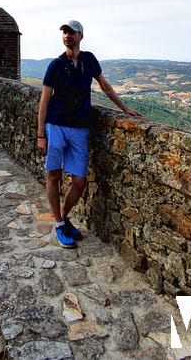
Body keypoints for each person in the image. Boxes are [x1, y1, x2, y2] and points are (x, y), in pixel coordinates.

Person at [37, 19, 141, 248]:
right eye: (64, 32)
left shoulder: (89, 60)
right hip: (55, 125)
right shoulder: (55, 65)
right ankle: (60, 223)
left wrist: (124, 109)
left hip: (80, 127)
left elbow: (104, 86)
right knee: (53, 175)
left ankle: (62, 218)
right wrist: (41, 134)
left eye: (71, 32)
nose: (67, 36)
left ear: (80, 36)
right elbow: (44, 101)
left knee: (80, 181)